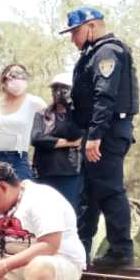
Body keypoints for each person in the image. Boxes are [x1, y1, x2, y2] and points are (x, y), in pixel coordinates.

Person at [63, 6, 140, 269]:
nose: (73, 38)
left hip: (106, 133)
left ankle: (121, 251)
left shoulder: (108, 52)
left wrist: (95, 136)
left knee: (109, 190)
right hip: (98, 131)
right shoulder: (94, 53)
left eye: (75, 32)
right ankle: (81, 250)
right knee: (90, 194)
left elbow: (104, 96)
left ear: (91, 27)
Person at [0, 64, 46, 182]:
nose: (18, 79)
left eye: (22, 76)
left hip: (19, 160)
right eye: (14, 75)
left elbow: (50, 127)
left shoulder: (35, 103)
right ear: (4, 81)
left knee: (23, 197)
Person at [31, 73, 84, 211]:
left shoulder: (78, 116)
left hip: (69, 172)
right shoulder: (43, 114)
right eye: (55, 89)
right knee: (45, 212)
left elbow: (76, 135)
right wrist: (69, 144)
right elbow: (36, 138)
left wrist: (70, 110)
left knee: (69, 212)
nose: (58, 92)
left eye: (63, 89)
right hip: (44, 171)